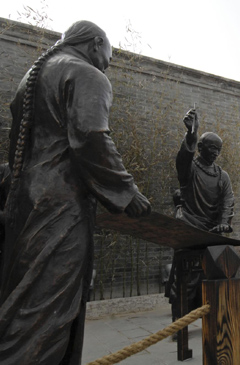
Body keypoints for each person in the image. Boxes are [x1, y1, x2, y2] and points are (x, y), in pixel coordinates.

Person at [0, 20, 151, 364]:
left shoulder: (31, 78)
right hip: (59, 206)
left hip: (24, 203)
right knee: (45, 313)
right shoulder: (86, 74)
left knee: (22, 303)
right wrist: (126, 191)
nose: (106, 64)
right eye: (108, 57)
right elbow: (91, 136)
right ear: (96, 43)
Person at [168, 108, 240, 328]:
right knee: (188, 275)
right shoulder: (190, 170)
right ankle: (179, 321)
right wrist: (190, 137)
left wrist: (224, 222)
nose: (215, 153)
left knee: (230, 264)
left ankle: (238, 310)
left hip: (214, 230)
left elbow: (228, 202)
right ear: (200, 148)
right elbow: (183, 159)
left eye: (218, 150)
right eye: (212, 148)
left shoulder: (223, 176)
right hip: (191, 227)